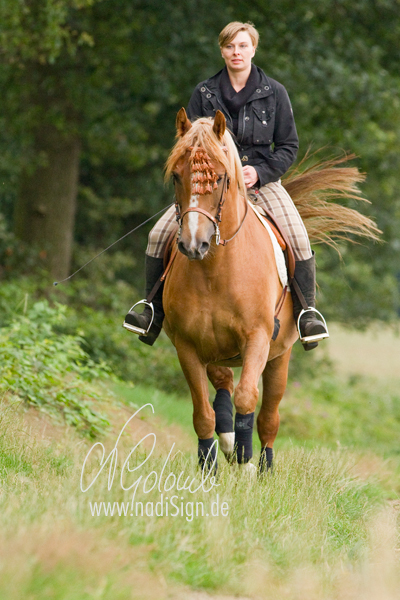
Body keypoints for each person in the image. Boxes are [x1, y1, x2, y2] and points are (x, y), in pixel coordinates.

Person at [124, 21, 328, 351]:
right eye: (230, 46)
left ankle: (308, 314)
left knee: (299, 238)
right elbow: (189, 142)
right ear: (222, 50)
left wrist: (258, 173)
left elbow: (288, 146)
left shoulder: (275, 92)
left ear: (253, 49)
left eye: (243, 46)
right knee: (157, 236)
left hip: (262, 183)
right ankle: (152, 312)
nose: (237, 52)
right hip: (208, 186)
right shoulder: (204, 93)